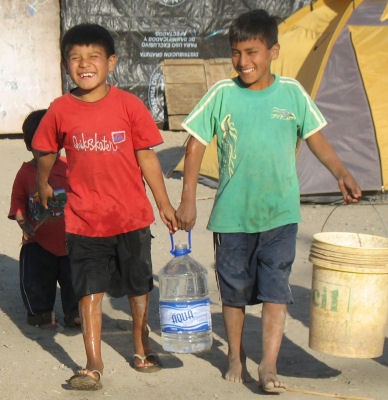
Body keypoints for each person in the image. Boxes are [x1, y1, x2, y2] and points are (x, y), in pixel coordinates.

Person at [175, 9, 362, 394]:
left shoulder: (292, 92)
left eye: (253, 51)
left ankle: (270, 365)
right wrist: (188, 201)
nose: (244, 62)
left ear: (273, 51)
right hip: (232, 217)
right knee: (234, 292)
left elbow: (316, 138)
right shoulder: (222, 94)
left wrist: (341, 172)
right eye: (236, 53)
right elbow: (195, 146)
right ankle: (235, 356)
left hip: (279, 215)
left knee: (276, 290)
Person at [32, 24, 177, 390]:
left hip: (131, 218)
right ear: (66, 66)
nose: (85, 64)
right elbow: (46, 151)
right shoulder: (60, 109)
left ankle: (141, 347)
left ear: (110, 62)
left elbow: (147, 157)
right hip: (83, 221)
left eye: (93, 57)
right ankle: (92, 363)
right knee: (88, 290)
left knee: (138, 286)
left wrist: (163, 203)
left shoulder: (129, 105)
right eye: (75, 58)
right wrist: (43, 184)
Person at [8, 109, 80, 330]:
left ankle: (75, 313)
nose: (48, 151)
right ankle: (40, 313)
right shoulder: (25, 174)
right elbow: (18, 204)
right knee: (36, 279)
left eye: (52, 144)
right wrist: (25, 225)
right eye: (41, 146)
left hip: (70, 240)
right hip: (38, 241)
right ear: (29, 146)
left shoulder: (70, 168)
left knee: (75, 279)